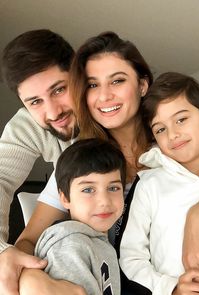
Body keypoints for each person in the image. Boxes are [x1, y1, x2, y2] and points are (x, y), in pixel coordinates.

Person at [15, 32, 199, 295]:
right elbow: (28, 240)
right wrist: (30, 277)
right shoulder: (82, 160)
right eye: (93, 85)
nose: (105, 96)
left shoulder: (179, 140)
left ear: (142, 85)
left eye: (117, 81)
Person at [119, 72, 199, 295]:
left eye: (181, 119)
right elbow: (130, 257)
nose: (173, 134)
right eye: (160, 129)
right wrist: (171, 288)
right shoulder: (148, 185)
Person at [0, 29, 84, 295]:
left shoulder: (110, 100)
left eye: (59, 89)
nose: (53, 112)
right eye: (35, 101)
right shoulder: (27, 125)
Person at [26, 138, 125, 295]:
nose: (104, 201)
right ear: (65, 198)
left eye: (113, 188)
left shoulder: (94, 240)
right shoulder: (70, 246)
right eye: (88, 190)